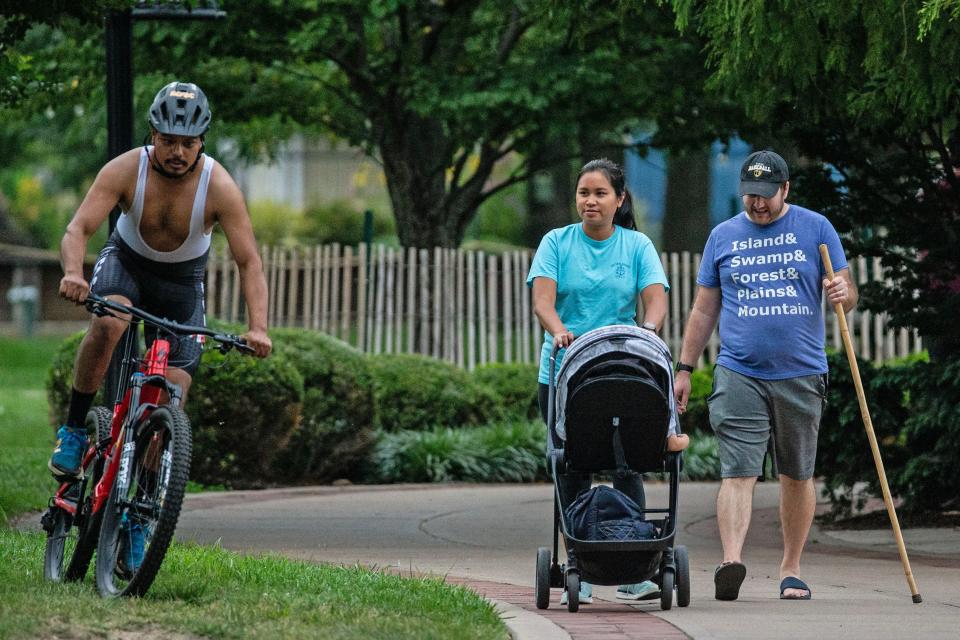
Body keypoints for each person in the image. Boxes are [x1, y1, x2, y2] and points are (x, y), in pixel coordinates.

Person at [50, 80, 272, 490]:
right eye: (168, 141)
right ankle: (74, 429)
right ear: (153, 135)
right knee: (109, 324)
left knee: (174, 392)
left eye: (188, 143)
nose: (178, 152)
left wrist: (258, 327)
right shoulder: (124, 169)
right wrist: (73, 273)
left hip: (182, 286)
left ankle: (146, 504)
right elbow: (78, 228)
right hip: (126, 267)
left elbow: (249, 261)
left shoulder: (219, 186)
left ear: (202, 142)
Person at [673, 149, 857, 601]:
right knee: (738, 471)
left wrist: (841, 291)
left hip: (801, 371)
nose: (758, 204)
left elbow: (847, 293)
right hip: (739, 371)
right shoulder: (723, 236)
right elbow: (703, 308)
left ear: (786, 190)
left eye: (766, 196)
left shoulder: (816, 229)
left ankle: (791, 569)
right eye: (750, 196)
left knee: (797, 473)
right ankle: (731, 560)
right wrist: (684, 367)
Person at [527, 158, 688, 605]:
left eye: (600, 193)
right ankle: (581, 561)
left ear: (619, 200)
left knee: (628, 463)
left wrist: (650, 329)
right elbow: (543, 300)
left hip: (622, 369)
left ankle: (635, 568)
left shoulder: (636, 246)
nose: (590, 201)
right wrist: (558, 328)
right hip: (563, 374)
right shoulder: (556, 243)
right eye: (583, 193)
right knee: (573, 464)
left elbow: (655, 301)